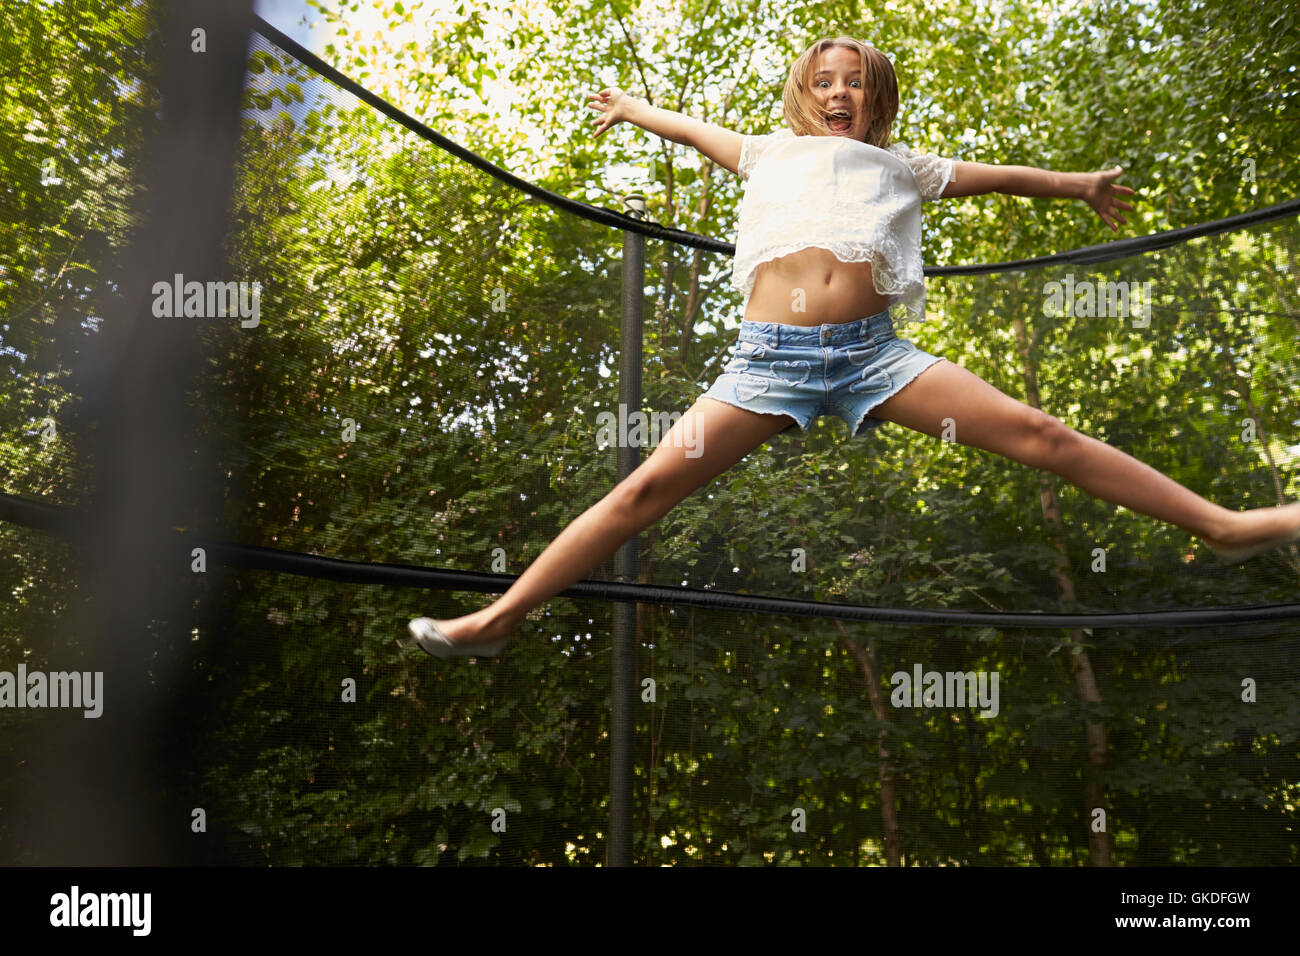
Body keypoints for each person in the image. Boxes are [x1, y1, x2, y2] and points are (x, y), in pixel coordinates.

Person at [404, 36, 1300, 659]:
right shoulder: (763, 151)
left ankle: (1223, 527)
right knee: (641, 487)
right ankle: (504, 614)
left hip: (876, 356)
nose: (840, 93)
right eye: (825, 81)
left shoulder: (901, 166)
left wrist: (1080, 186)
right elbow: (680, 124)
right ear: (805, 95)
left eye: (856, 83)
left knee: (1042, 433)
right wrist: (632, 108)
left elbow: (1005, 179)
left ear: (876, 100)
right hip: (765, 363)